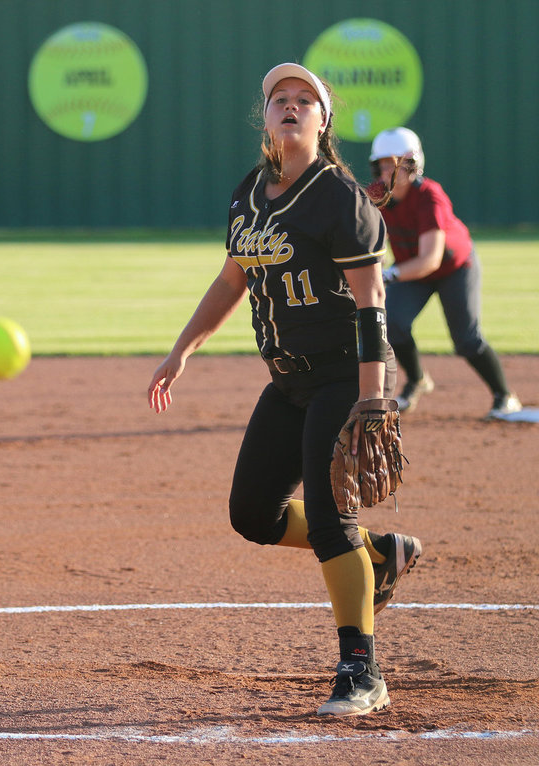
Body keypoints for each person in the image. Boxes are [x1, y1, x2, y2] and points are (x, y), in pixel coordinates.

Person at [148, 64, 421, 717]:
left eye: (305, 100)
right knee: (253, 514)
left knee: (331, 522)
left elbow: (372, 301)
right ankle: (381, 556)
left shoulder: (339, 197)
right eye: (280, 99)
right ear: (265, 118)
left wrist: (372, 396)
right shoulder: (250, 193)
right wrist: (181, 348)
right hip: (288, 381)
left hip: (340, 376)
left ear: (323, 122)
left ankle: (362, 671)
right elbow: (229, 281)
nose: (291, 107)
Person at [367, 127, 522, 419]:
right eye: (384, 163)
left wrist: (386, 275)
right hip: (411, 271)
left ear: (413, 164)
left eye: (397, 162)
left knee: (466, 339)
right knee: (391, 321)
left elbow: (430, 260)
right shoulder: (376, 196)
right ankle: (418, 380)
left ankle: (505, 395)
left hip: (454, 268)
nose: (390, 170)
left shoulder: (429, 195)